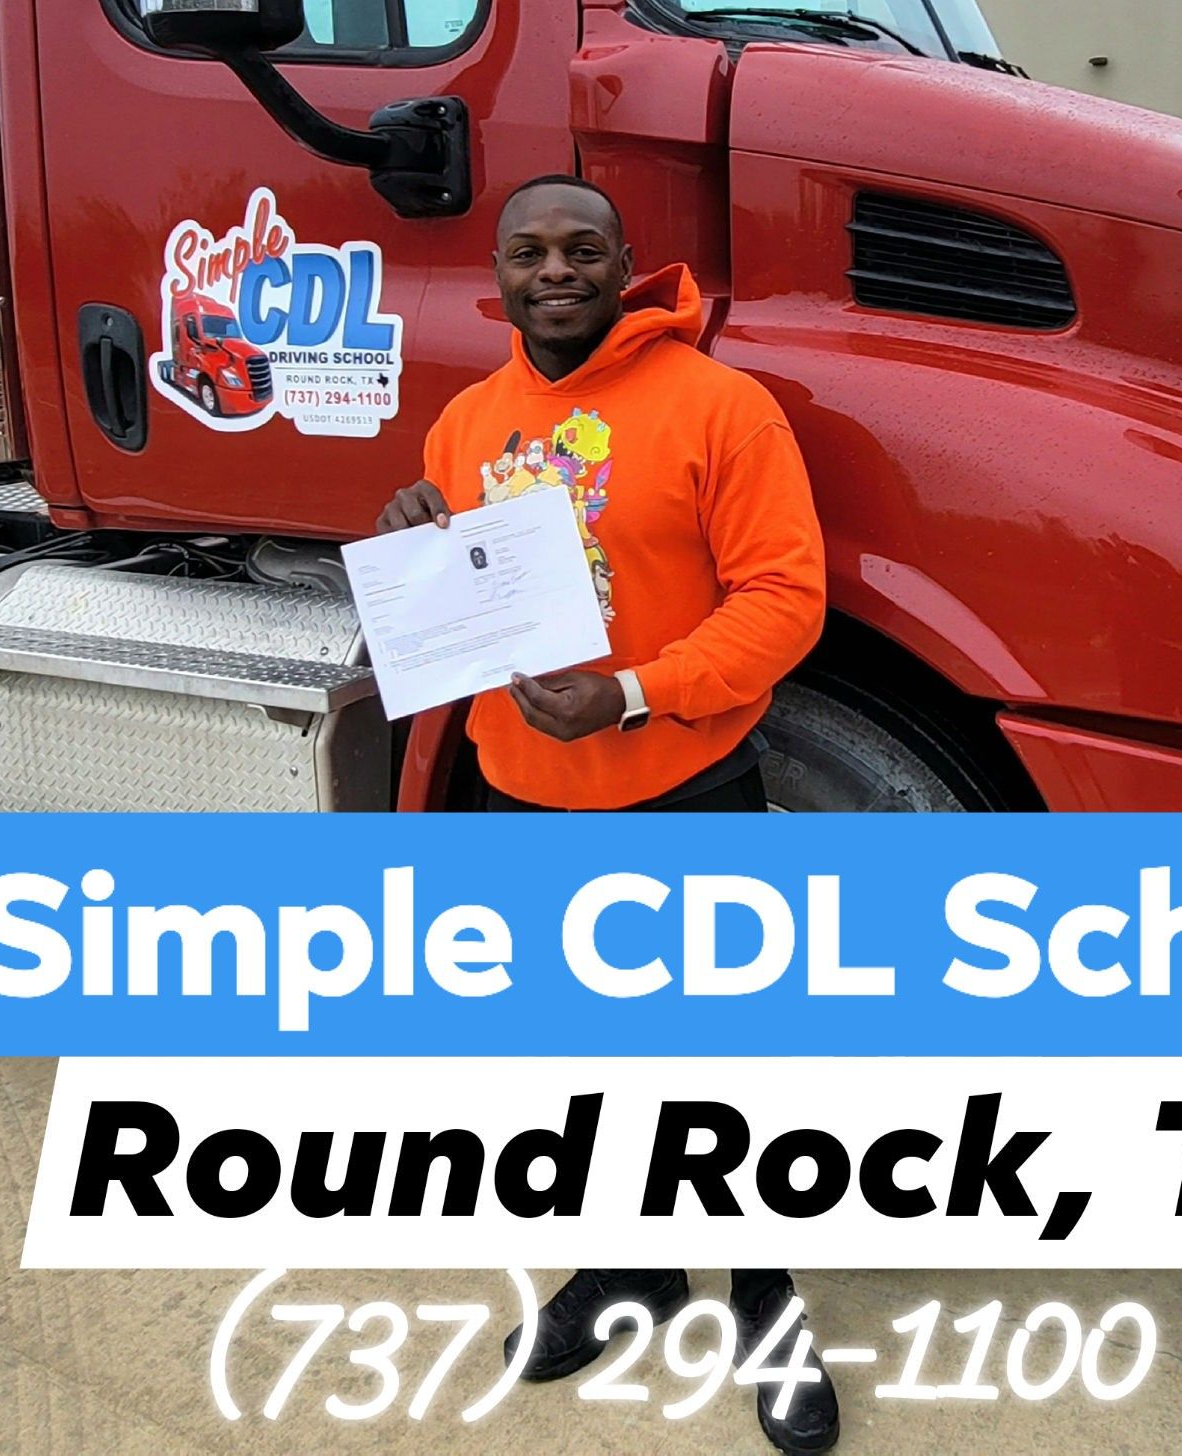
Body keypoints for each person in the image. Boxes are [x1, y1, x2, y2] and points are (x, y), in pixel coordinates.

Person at [377, 173, 839, 1453]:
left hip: (682, 791)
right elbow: (464, 613)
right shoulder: (465, 422)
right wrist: (414, 536)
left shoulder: (717, 405)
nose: (557, 270)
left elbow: (781, 601)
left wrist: (633, 692)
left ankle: (763, 1299)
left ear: (627, 261)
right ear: (500, 273)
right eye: (529, 252)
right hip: (520, 796)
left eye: (583, 247)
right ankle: (629, 1266)